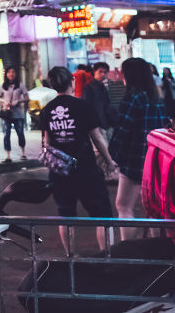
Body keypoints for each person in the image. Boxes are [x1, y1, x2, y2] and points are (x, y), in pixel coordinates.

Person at [39, 66, 116, 254]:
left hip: (60, 171)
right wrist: (109, 161)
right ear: (71, 82)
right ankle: (107, 258)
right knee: (103, 216)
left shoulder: (47, 110)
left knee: (66, 216)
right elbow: (97, 138)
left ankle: (71, 258)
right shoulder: (83, 106)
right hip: (86, 170)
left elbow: (47, 143)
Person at [109, 57, 170, 240]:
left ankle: (128, 249)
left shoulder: (133, 97)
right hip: (156, 159)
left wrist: (111, 156)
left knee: (123, 206)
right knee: (153, 209)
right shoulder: (156, 97)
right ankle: (157, 247)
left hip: (134, 161)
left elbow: (122, 130)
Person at [0, 67, 28, 162]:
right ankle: (8, 156)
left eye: (13, 72)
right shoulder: (3, 85)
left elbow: (27, 97)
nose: (11, 74)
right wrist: (4, 101)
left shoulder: (20, 85)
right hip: (7, 113)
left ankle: (23, 153)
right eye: (9, 72)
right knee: (6, 134)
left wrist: (18, 101)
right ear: (6, 74)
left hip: (18, 114)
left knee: (20, 133)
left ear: (15, 74)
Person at [81, 62, 117, 136]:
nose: (103, 74)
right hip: (98, 124)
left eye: (105, 72)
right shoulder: (89, 88)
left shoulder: (105, 86)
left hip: (106, 123)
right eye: (100, 72)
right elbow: (87, 107)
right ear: (94, 72)